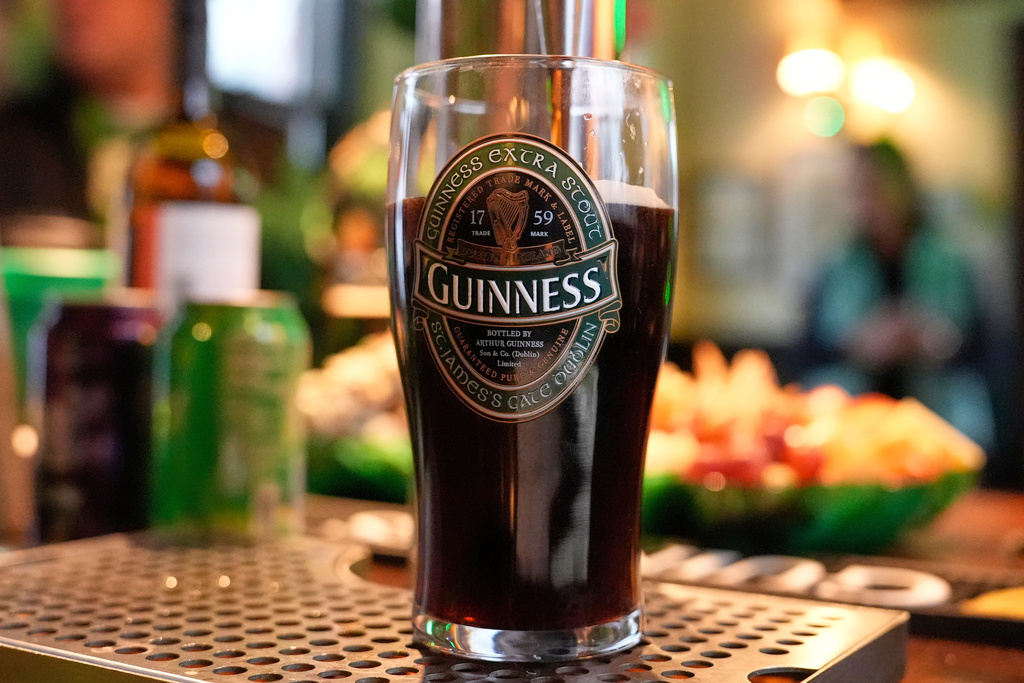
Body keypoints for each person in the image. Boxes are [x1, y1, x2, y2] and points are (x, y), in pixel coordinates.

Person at [800, 140, 995, 452]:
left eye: (873, 185)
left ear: (902, 185)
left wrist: (931, 340)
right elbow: (807, 353)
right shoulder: (835, 262)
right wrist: (861, 344)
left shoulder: (949, 256)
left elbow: (984, 347)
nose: (864, 198)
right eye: (855, 187)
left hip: (942, 426)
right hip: (853, 433)